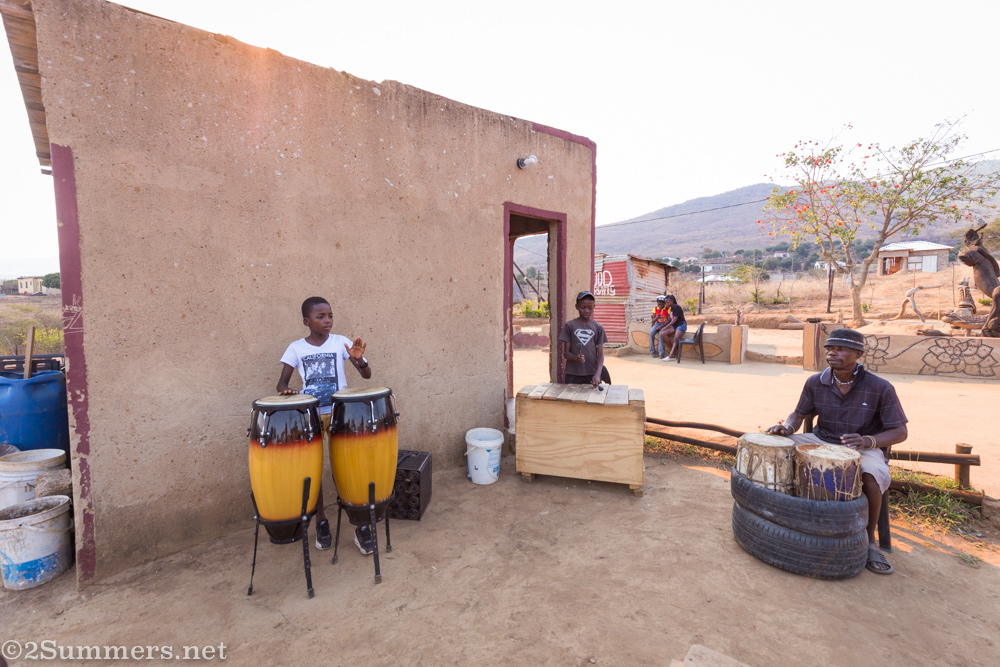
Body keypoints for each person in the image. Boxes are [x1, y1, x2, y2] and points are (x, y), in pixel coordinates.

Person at [766, 328, 907, 575]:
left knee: (871, 478)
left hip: (860, 448)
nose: (832, 352)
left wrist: (868, 441)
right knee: (775, 453)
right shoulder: (815, 381)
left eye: (840, 348)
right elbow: (799, 413)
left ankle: (869, 541)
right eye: (830, 348)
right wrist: (788, 427)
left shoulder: (880, 387)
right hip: (820, 440)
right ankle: (776, 518)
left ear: (858, 354)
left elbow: (899, 432)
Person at [276, 296, 374, 555]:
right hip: (311, 415)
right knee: (314, 470)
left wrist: (359, 360)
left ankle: (360, 524)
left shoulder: (340, 342)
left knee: (350, 467)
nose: (327, 320)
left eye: (329, 315)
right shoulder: (296, 348)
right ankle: (321, 521)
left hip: (341, 412)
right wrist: (289, 392)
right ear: (307, 321)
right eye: (320, 317)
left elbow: (366, 374)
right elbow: (281, 384)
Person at [558, 291, 609, 386]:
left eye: (590, 308)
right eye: (583, 307)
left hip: (591, 373)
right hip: (573, 374)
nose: (586, 311)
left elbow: (600, 355)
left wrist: (598, 374)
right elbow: (565, 354)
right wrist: (576, 358)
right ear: (577, 306)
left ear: (594, 307)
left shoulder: (598, 327)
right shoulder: (569, 326)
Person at [658, 295, 687, 361]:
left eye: (667, 302)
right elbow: (671, 320)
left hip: (681, 325)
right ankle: (672, 352)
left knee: (676, 338)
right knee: (663, 333)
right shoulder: (671, 308)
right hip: (674, 325)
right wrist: (665, 328)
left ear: (672, 301)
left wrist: (665, 327)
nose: (666, 304)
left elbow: (674, 319)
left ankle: (670, 356)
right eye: (665, 303)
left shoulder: (677, 307)